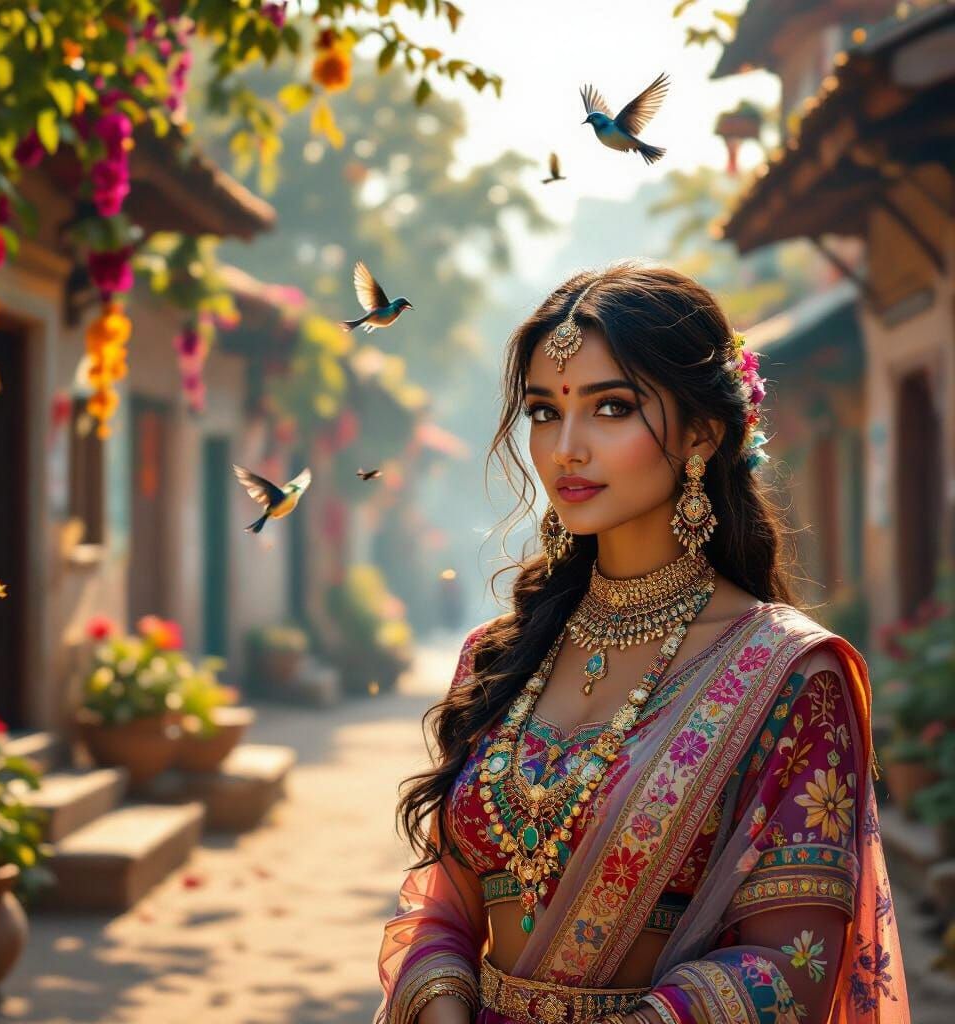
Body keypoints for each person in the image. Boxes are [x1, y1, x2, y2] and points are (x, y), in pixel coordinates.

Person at [372, 262, 909, 1024]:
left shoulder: (788, 677)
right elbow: (444, 911)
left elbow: (790, 968)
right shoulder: (498, 658)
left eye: (611, 407)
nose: (566, 448)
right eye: (544, 411)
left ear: (702, 432)